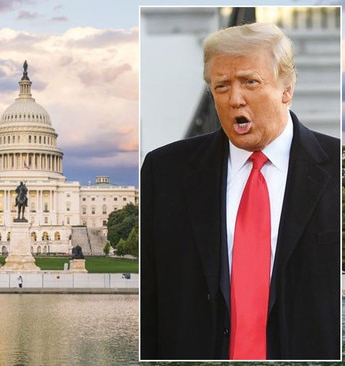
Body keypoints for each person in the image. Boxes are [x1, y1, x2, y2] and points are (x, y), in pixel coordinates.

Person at [140, 22, 340, 360]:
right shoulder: (164, 172)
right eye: (221, 86)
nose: (235, 99)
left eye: (250, 82)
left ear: (286, 89)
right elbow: (150, 302)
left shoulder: (336, 166)